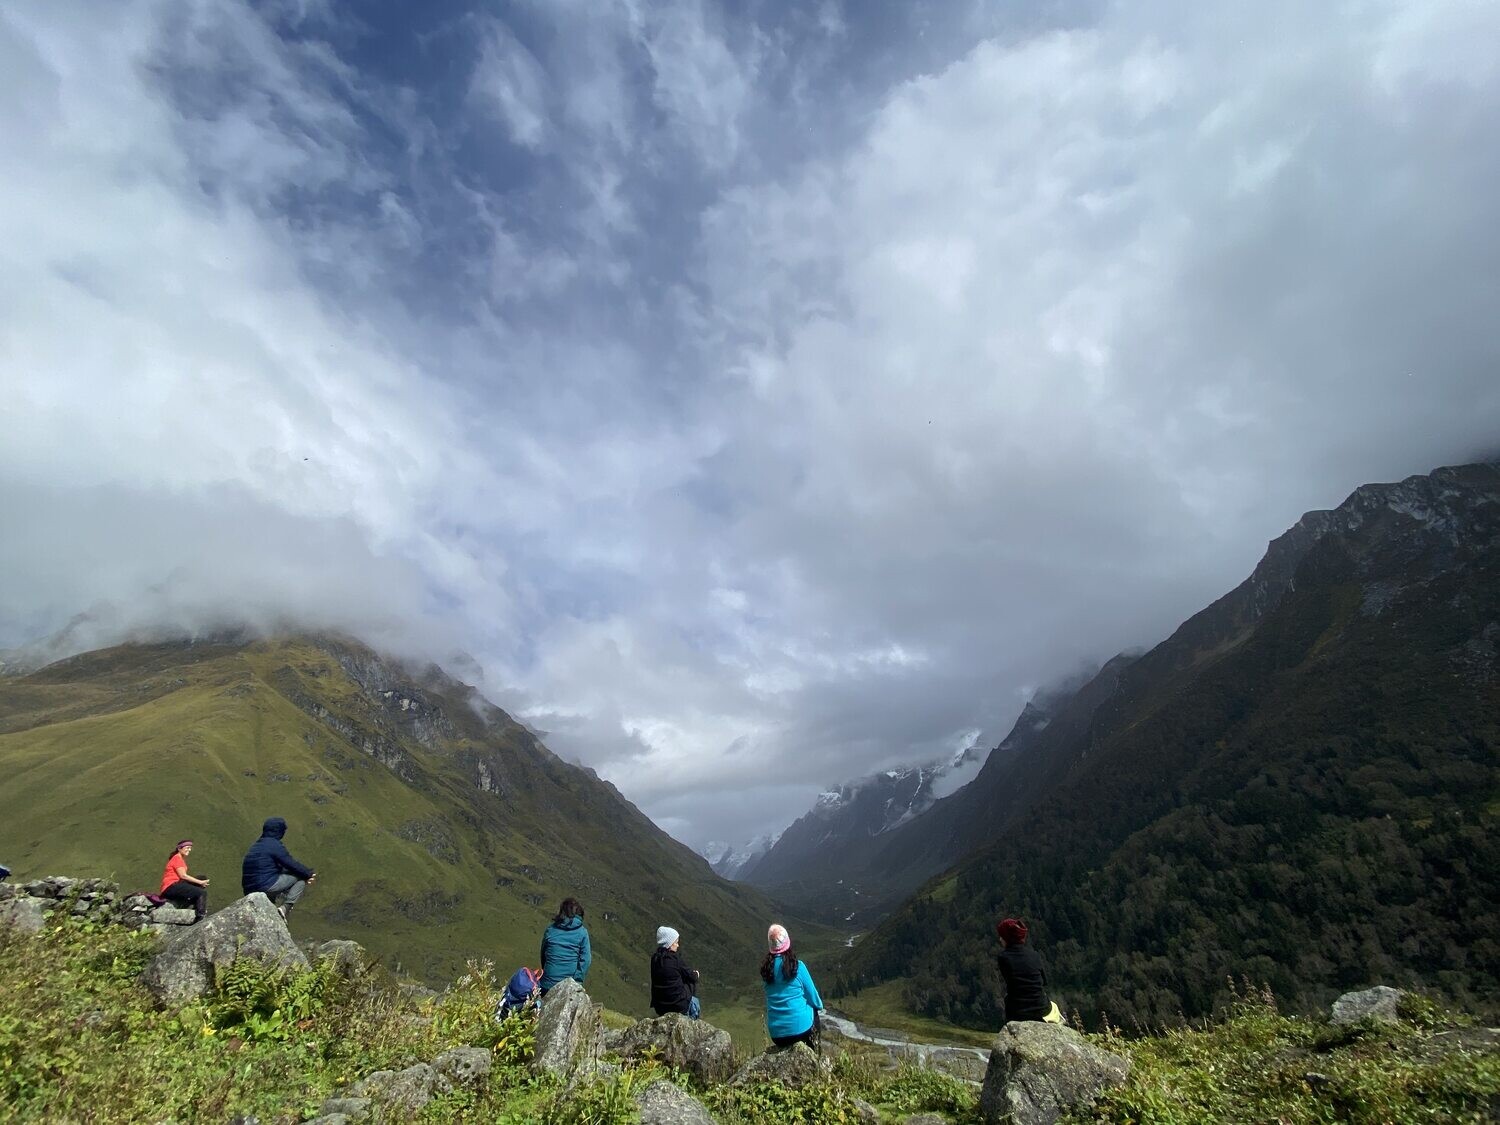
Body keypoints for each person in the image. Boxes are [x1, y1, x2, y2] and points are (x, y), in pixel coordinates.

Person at [761, 923, 823, 1049]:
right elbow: (813, 996)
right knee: (814, 1010)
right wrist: (818, 1007)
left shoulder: (766, 971)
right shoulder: (798, 967)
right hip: (802, 1031)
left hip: (777, 1035)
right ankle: (815, 1056)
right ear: (787, 943)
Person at [241, 816, 317, 920]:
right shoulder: (274, 845)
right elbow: (290, 863)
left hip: (249, 889)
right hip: (265, 885)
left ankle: (271, 911)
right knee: (300, 877)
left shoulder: (256, 846)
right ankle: (286, 908)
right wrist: (308, 874)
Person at [996, 917, 1063, 1024]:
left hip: (1018, 1013)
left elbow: (1012, 984)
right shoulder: (1035, 955)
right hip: (1042, 1010)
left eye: (1002, 936)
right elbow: (1044, 981)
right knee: (1053, 1005)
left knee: (1008, 999)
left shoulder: (1003, 958)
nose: (1000, 939)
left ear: (1007, 938)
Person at [538, 898, 591, 995]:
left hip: (546, 984)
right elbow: (586, 960)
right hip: (568, 987)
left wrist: (547, 972)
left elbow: (543, 954)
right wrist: (577, 981)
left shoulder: (550, 930)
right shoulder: (582, 932)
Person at [650, 925, 701, 1019]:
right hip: (678, 1005)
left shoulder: (655, 959)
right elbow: (691, 976)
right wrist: (696, 974)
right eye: (676, 942)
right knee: (691, 983)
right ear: (669, 943)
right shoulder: (675, 959)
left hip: (660, 1007)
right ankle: (692, 1020)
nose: (678, 945)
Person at [159, 839, 210, 921]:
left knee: (201, 877)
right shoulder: (177, 858)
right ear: (179, 848)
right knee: (202, 892)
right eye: (187, 847)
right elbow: (183, 876)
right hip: (171, 887)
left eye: (190, 848)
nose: (189, 850)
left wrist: (200, 881)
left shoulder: (179, 859)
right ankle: (200, 916)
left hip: (174, 886)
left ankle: (194, 903)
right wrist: (200, 882)